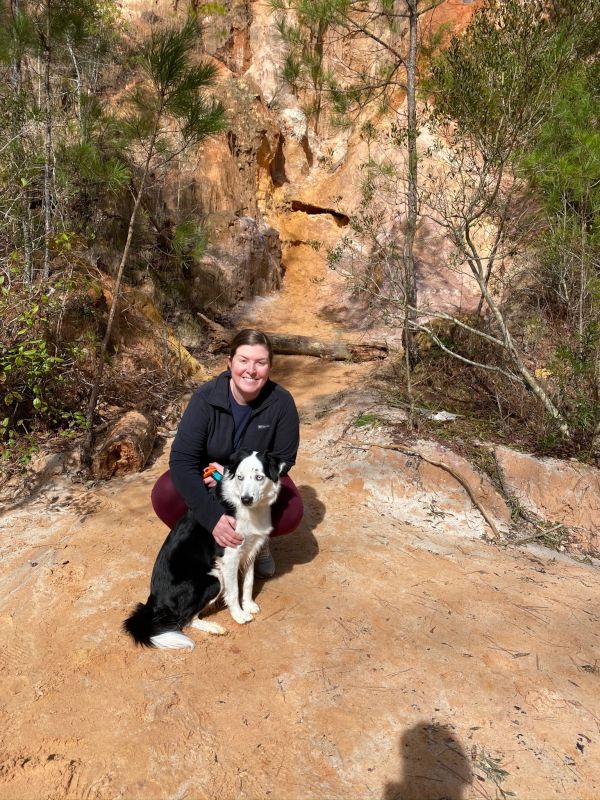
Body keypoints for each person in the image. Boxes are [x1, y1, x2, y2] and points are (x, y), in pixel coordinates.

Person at [151, 329, 303, 577]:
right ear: (229, 362)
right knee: (166, 492)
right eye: (243, 360)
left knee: (292, 510)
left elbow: (285, 458)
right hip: (209, 476)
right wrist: (211, 516)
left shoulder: (281, 402)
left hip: (251, 478)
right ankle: (206, 536)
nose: (251, 370)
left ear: (269, 367)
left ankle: (258, 543)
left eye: (260, 363)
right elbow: (182, 459)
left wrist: (232, 477)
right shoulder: (205, 398)